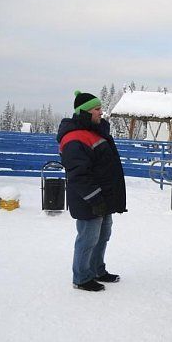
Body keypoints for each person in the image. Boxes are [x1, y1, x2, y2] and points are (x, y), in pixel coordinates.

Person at [57, 90, 126, 292]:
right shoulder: (74, 138)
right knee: (88, 238)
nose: (101, 113)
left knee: (103, 235)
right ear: (85, 112)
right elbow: (78, 174)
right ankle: (81, 277)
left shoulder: (95, 131)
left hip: (103, 197)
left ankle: (97, 269)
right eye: (97, 109)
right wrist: (95, 198)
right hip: (89, 199)